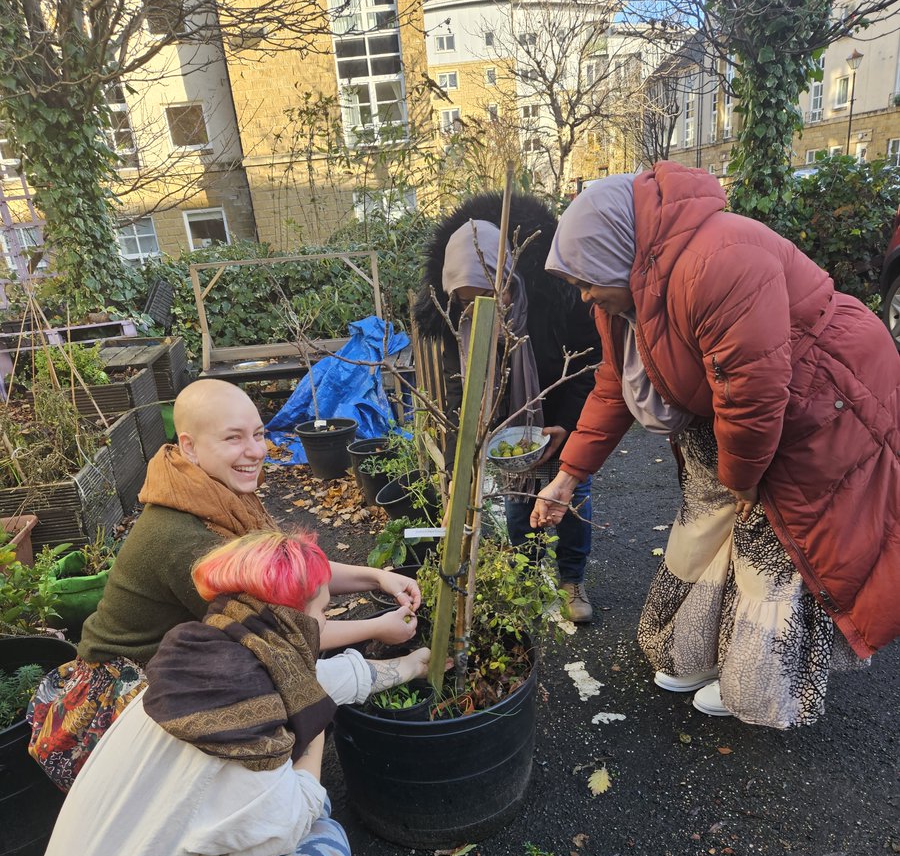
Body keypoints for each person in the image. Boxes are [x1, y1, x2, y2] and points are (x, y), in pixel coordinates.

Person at [34, 529, 433, 856]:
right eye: (323, 609)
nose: (327, 619)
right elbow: (290, 816)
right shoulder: (243, 733)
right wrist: (313, 726)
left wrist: (408, 668)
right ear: (302, 620)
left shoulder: (203, 667)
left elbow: (302, 682)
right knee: (322, 849)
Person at [531, 162, 900, 729]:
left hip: (821, 400)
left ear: (619, 252)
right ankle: (701, 651)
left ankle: (762, 683)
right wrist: (568, 476)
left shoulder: (720, 259)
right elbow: (613, 385)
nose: (583, 297)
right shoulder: (625, 295)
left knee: (774, 545)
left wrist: (745, 481)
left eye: (585, 281)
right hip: (739, 408)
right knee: (708, 525)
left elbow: (753, 397)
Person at [28, 378, 424, 790]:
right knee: (284, 689)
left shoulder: (209, 491)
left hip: (180, 661)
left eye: (258, 434)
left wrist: (377, 576)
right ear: (190, 446)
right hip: (131, 696)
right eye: (234, 438)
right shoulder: (187, 539)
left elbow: (294, 572)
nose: (256, 451)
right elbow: (283, 638)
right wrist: (380, 629)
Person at [414, 193, 602, 624]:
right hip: (509, 428)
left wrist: (568, 428)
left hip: (561, 413)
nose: (479, 311)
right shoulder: (452, 321)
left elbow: (589, 367)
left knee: (574, 497)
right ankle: (528, 576)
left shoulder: (555, 304)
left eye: (487, 295)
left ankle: (572, 579)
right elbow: (458, 388)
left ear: (506, 280)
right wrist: (471, 449)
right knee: (520, 501)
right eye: (466, 301)